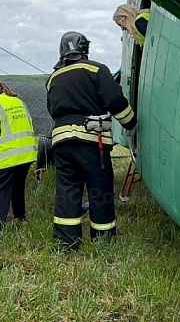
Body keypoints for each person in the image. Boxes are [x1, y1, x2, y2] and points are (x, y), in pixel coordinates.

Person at [46, 31, 137, 250]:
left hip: (61, 142)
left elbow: (53, 110)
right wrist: (131, 123)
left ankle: (66, 242)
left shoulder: (52, 79)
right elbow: (115, 100)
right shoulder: (96, 69)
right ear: (85, 49)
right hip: (91, 141)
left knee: (67, 191)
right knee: (99, 190)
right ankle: (103, 241)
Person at [0, 72, 37, 232]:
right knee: (18, 187)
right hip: (27, 152)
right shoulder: (17, 100)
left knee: (1, 192)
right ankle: (20, 218)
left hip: (9, 154)